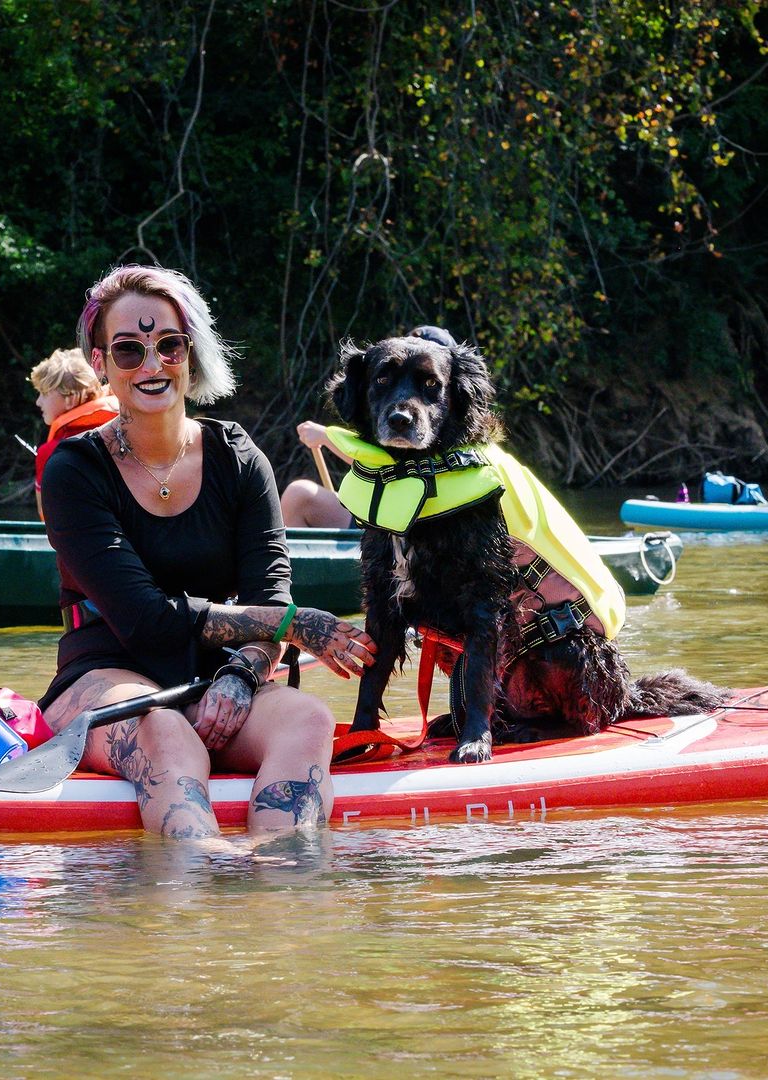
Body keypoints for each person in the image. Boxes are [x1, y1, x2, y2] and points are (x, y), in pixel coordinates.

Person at [39, 265, 377, 840]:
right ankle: (193, 905)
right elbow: (145, 621)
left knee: (308, 719)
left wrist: (243, 675)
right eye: (128, 350)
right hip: (104, 673)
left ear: (190, 352)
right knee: (164, 731)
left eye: (168, 344)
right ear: (99, 365)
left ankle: (278, 897)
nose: (152, 364)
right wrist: (292, 624)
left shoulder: (239, 458)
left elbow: (268, 588)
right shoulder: (73, 471)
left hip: (217, 676)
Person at [280, 325, 458, 528]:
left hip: (435, 518)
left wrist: (326, 436)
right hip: (374, 515)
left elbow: (396, 470)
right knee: (298, 495)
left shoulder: (464, 442)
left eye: (429, 382)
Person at [30, 347, 120, 519]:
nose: (38, 402)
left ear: (71, 399)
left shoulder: (49, 453)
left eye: (44, 393)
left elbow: (47, 516)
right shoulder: (129, 430)